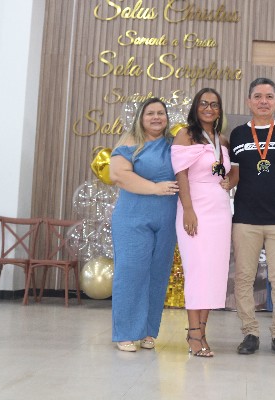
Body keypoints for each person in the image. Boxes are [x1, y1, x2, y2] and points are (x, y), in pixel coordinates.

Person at [223, 77, 275, 356]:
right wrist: (216, 185)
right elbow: (233, 176)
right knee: (244, 277)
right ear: (248, 101)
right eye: (257, 96)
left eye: (268, 96)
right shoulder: (238, 135)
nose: (263, 101)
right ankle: (250, 332)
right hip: (246, 219)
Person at [109, 97, 179, 352]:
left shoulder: (174, 144)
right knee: (130, 272)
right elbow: (118, 175)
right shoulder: (129, 142)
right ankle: (126, 333)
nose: (156, 117)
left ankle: (148, 331)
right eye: (150, 113)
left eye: (161, 113)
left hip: (167, 219)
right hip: (133, 218)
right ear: (141, 117)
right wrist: (155, 188)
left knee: (158, 274)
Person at [171, 88, 232, 357]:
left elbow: (232, 173)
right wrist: (188, 209)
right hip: (194, 208)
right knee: (197, 270)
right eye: (204, 103)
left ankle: (203, 331)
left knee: (214, 272)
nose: (209, 108)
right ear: (196, 107)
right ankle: (193, 333)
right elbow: (181, 174)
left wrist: (231, 182)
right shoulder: (185, 134)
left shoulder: (223, 139)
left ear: (220, 110)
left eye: (214, 104)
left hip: (220, 210)